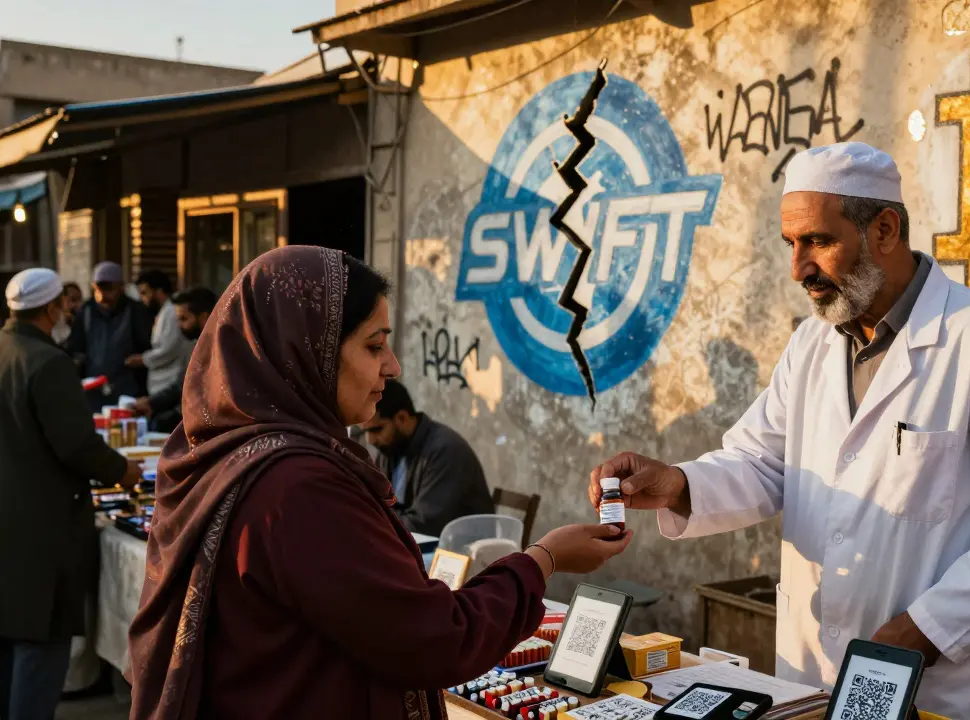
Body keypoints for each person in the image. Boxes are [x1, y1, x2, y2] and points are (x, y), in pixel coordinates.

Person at [589, 143, 970, 718]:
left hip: (949, 687)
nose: (799, 268)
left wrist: (926, 629)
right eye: (791, 245)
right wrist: (677, 484)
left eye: (818, 242)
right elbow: (762, 462)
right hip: (815, 671)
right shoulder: (812, 344)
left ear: (885, 230)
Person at [128, 247, 632, 720]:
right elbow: (437, 639)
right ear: (308, 352)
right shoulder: (298, 487)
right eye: (374, 346)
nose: (392, 366)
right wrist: (544, 560)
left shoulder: (229, 454)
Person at [0, 268, 142, 720]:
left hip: (10, 520)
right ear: (51, 308)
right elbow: (77, 446)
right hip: (43, 526)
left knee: (9, 637)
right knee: (41, 640)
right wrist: (124, 471)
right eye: (63, 304)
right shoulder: (48, 361)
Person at [361, 379, 496, 536]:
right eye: (365, 431)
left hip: (463, 547)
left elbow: (423, 525)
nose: (370, 440)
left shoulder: (445, 450)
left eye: (376, 429)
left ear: (402, 418)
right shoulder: (390, 448)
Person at [67, 262, 152, 410]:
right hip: (93, 390)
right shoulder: (86, 312)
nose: (102, 296)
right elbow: (76, 347)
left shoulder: (136, 311)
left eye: (109, 290)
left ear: (121, 287)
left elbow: (146, 347)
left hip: (128, 389)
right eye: (98, 290)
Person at [134, 287, 216, 434]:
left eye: (184, 319)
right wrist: (151, 403)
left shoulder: (219, 348)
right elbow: (183, 383)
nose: (179, 325)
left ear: (204, 317)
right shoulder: (198, 344)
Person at [127, 271, 191, 400]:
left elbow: (168, 349)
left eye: (144, 293)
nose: (142, 298)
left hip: (170, 382)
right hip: (160, 382)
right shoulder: (162, 312)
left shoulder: (172, 312)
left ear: (159, 291)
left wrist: (143, 359)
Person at [53, 282, 83, 346]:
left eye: (80, 300)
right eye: (73, 300)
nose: (78, 305)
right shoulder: (53, 323)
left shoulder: (81, 322)